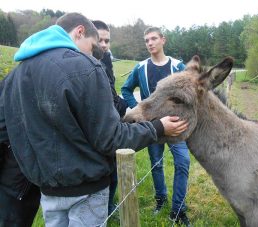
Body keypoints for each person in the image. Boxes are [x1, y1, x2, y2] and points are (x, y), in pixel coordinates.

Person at [0, 13, 188, 227]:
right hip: (86, 189)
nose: (94, 54)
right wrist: (158, 128)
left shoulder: (16, 74)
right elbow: (111, 139)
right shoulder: (85, 67)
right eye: (92, 46)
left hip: (48, 191)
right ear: (80, 32)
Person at [121, 27, 191, 226]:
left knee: (183, 162)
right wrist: (137, 109)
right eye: (146, 40)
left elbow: (190, 92)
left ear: (163, 40)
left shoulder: (178, 66)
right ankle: (161, 201)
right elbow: (126, 89)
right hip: (151, 127)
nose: (150, 43)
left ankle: (179, 210)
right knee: (156, 164)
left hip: (176, 125)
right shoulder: (140, 67)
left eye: (153, 39)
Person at [92, 20, 128, 216]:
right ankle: (102, 211)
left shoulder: (106, 60)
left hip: (110, 129)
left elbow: (111, 93)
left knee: (113, 175)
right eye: (100, 40)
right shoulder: (85, 64)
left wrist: (119, 103)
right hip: (97, 134)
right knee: (104, 176)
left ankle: (108, 207)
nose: (104, 45)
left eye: (107, 40)